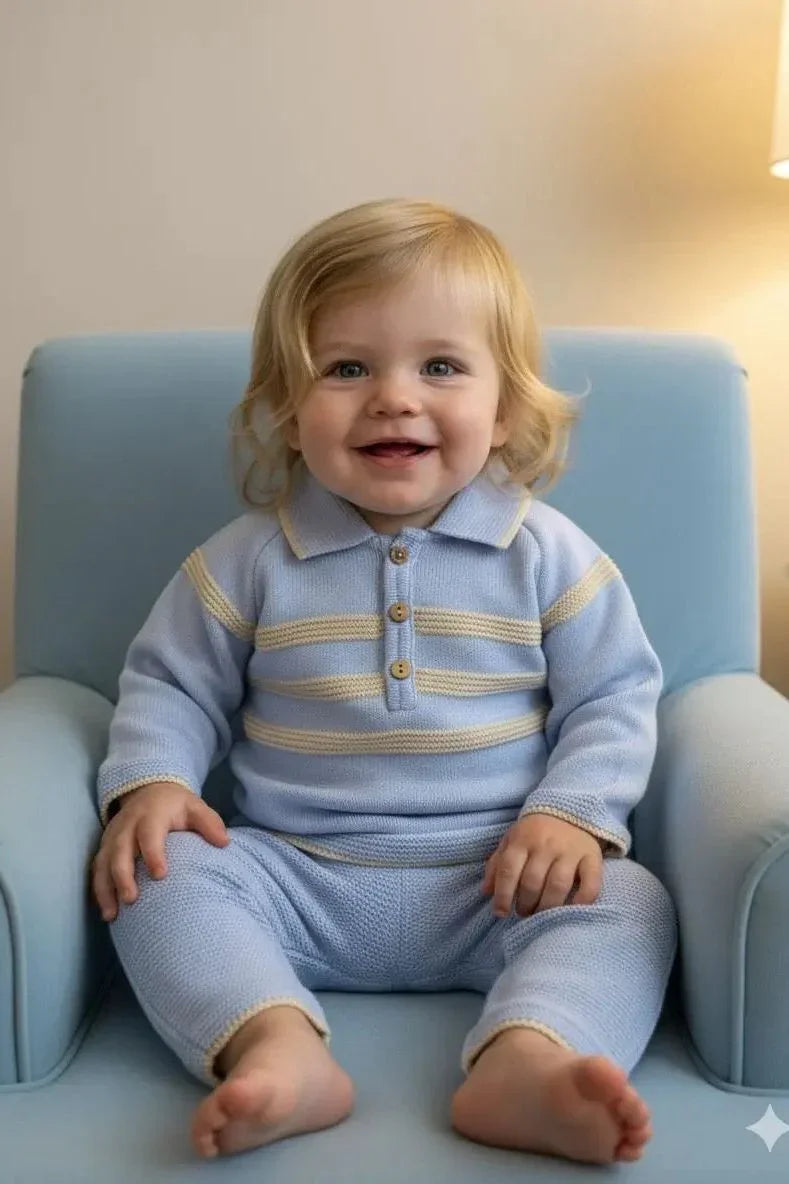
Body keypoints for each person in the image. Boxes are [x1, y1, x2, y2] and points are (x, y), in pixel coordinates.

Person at [91, 198, 677, 1166]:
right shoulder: (251, 560)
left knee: (634, 900)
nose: (394, 397)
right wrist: (152, 783)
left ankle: (529, 1056)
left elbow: (615, 693)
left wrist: (572, 812)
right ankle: (274, 1043)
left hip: (498, 880)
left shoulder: (544, 553)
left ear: (506, 408)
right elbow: (169, 685)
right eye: (348, 367)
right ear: (288, 404)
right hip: (297, 876)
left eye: (440, 366)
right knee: (154, 875)